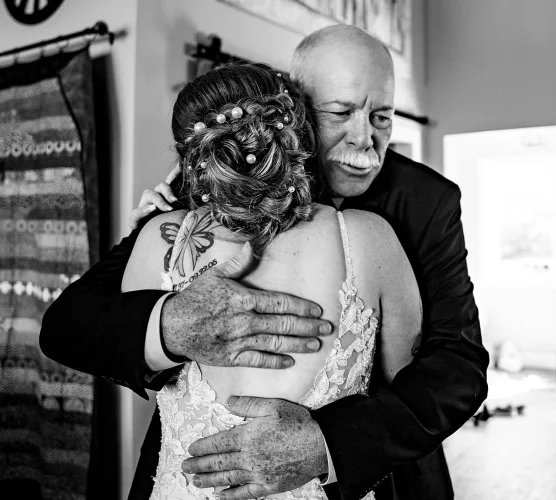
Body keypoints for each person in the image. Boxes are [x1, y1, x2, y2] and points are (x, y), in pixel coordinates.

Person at [40, 25, 489, 500]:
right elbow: (70, 324)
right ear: (293, 106)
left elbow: (458, 364)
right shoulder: (207, 185)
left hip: (377, 469)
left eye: (382, 116)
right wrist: (168, 320)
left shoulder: (429, 200)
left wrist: (328, 443)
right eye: (340, 112)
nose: (365, 139)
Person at [122, 61, 420, 500]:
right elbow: (407, 389)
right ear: (299, 134)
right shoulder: (368, 238)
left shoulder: (157, 241)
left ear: (190, 156)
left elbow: (128, 358)